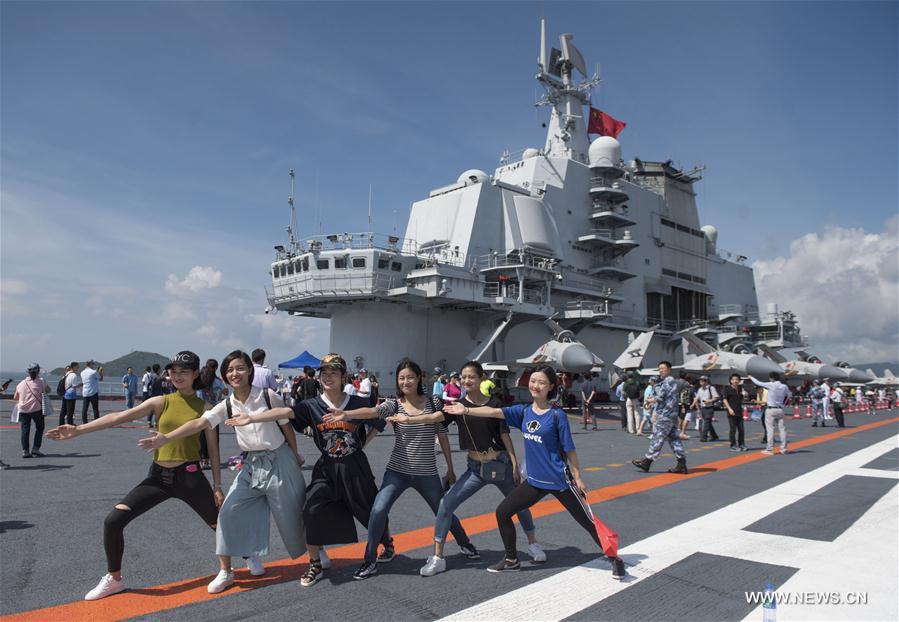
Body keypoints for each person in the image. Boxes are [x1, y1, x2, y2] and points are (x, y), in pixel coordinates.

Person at [47, 351, 223, 601]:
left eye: (184, 372)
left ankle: (248, 557)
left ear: (195, 374)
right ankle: (114, 579)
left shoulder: (206, 408)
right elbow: (118, 417)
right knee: (113, 521)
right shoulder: (161, 402)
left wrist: (217, 485)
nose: (177, 376)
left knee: (221, 525)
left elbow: (214, 450)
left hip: (190, 476)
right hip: (158, 477)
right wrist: (78, 430)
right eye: (173, 371)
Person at [139, 350, 305, 593]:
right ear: (224, 376)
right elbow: (200, 423)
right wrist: (166, 438)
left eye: (239, 368)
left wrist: (295, 454)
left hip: (280, 459)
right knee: (227, 512)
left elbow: (287, 427)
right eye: (229, 370)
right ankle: (226, 571)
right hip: (251, 464)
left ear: (250, 370)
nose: (234, 373)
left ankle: (315, 555)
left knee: (291, 516)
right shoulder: (226, 404)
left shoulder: (268, 396)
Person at [446, 364, 625, 579]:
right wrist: (465, 410)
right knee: (502, 512)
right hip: (534, 482)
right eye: (533, 381)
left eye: (541, 382)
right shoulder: (523, 412)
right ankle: (512, 559)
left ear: (550, 387)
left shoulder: (557, 415)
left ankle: (616, 559)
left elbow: (569, 449)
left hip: (560, 481)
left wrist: (577, 477)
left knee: (588, 522)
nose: (535, 385)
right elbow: (494, 411)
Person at [227, 353, 391, 587]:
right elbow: (285, 413)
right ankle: (314, 562)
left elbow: (379, 422)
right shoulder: (312, 405)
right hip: (326, 467)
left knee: (370, 509)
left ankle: (388, 543)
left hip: (355, 466)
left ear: (343, 376)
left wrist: (363, 443)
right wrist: (252, 418)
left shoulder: (357, 403)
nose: (328, 376)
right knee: (310, 508)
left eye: (334, 372)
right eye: (324, 372)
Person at [324, 358, 478, 580]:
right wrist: (346, 414)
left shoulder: (433, 402)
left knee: (443, 511)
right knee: (378, 510)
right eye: (402, 377)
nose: (406, 381)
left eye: (410, 377)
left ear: (419, 379)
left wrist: (450, 468)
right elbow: (373, 411)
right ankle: (369, 560)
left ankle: (465, 543)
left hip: (427, 473)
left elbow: (442, 435)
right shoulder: (394, 404)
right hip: (397, 471)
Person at [418, 361, 544, 577]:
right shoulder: (457, 406)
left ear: (481, 378)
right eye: (463, 377)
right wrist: (410, 418)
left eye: (471, 377)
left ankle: (533, 544)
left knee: (520, 506)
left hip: (501, 465)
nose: (466, 381)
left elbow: (505, 434)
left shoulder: (494, 403)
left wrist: (514, 463)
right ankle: (438, 557)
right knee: (446, 505)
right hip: (475, 469)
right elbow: (437, 419)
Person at [632, 361, 688, 474]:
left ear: (669, 369)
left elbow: (660, 397)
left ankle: (647, 462)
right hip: (671, 415)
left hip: (665, 415)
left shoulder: (668, 381)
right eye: (659, 369)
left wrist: (650, 400)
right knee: (674, 439)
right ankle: (681, 463)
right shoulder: (672, 381)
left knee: (657, 438)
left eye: (663, 368)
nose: (661, 370)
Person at [749, 372, 792, 455]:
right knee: (782, 429)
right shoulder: (784, 386)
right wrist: (784, 402)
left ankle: (770, 449)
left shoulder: (771, 384)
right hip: (780, 409)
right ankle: (784, 448)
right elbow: (790, 395)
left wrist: (751, 377)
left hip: (771, 409)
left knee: (770, 429)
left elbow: (758, 383)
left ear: (771, 378)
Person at [14, 363, 50, 458]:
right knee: (40, 427)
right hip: (36, 409)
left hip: (23, 410)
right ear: (38, 371)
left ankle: (25, 451)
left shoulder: (21, 383)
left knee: (25, 430)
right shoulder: (41, 381)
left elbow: (15, 397)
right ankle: (35, 449)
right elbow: (48, 390)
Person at [197, 359, 226, 470]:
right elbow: (226, 392)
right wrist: (222, 381)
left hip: (200, 411)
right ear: (216, 368)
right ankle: (208, 460)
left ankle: (201, 459)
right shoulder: (217, 381)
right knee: (213, 438)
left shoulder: (199, 379)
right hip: (214, 412)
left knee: (201, 437)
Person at [691, 376, 720, 442]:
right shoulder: (700, 389)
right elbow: (697, 398)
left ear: (706, 381)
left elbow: (716, 397)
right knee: (708, 423)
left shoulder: (711, 388)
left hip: (709, 407)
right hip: (703, 408)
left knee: (706, 422)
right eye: (700, 380)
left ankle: (704, 437)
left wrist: (709, 401)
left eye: (703, 380)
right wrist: (692, 404)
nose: (701, 382)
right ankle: (714, 436)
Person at [722, 374, 746, 451]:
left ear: (739, 381)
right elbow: (724, 399)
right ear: (731, 381)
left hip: (739, 411)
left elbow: (743, 398)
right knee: (733, 430)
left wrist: (745, 395)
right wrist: (729, 409)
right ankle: (733, 445)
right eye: (733, 379)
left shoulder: (740, 389)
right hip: (731, 412)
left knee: (741, 429)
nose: (735, 381)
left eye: (737, 379)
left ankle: (741, 444)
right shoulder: (727, 389)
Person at [60, 362, 81, 426]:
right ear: (74, 367)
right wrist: (81, 384)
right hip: (71, 394)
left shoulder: (67, 373)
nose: (78, 368)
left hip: (65, 393)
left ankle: (61, 423)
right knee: (70, 410)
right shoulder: (74, 375)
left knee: (63, 410)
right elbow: (74, 385)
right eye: (77, 366)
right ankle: (70, 423)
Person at [147, 363, 162, 428]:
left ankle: (149, 421)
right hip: (157, 394)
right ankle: (156, 422)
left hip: (152, 394)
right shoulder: (157, 376)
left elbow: (149, 385)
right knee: (157, 409)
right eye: (160, 368)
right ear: (158, 369)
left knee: (152, 409)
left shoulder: (152, 376)